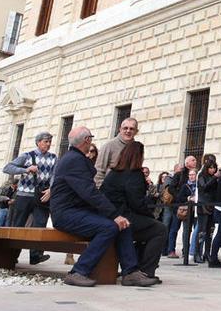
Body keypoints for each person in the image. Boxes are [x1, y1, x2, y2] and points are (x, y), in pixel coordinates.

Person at [50, 126, 157, 287]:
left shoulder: (74, 158)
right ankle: (78, 271)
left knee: (124, 224)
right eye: (91, 138)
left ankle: (131, 272)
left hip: (77, 211)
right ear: (87, 140)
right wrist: (113, 215)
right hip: (66, 214)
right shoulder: (74, 160)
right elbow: (90, 192)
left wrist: (116, 216)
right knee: (109, 227)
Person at [100, 142, 167, 281]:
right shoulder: (134, 174)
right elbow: (137, 203)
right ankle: (147, 271)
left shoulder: (114, 173)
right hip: (124, 217)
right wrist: (150, 216)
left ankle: (136, 266)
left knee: (150, 227)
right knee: (159, 229)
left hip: (109, 216)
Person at [3, 131, 57, 265]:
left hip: (42, 196)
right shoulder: (27, 156)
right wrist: (25, 170)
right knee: (18, 226)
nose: (48, 144)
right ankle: (12, 255)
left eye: (50, 141)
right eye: (46, 141)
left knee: (40, 225)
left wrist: (51, 189)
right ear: (38, 142)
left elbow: (55, 176)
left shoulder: (54, 158)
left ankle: (35, 256)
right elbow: (7, 168)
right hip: (23, 195)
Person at [166, 155, 196, 257]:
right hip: (178, 205)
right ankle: (171, 250)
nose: (195, 161)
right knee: (175, 228)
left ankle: (186, 251)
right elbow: (171, 188)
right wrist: (179, 196)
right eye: (193, 160)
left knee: (187, 230)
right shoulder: (179, 174)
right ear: (187, 163)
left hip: (190, 206)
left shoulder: (196, 174)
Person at [94, 118, 139, 186]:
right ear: (120, 129)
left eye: (131, 129)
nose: (128, 131)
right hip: (110, 192)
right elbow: (98, 171)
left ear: (136, 131)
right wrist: (102, 191)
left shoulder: (137, 148)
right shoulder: (109, 146)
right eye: (125, 128)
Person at [196, 161, 220, 263]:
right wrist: (215, 178)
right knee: (202, 231)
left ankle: (207, 253)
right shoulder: (202, 176)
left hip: (212, 205)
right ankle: (198, 253)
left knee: (210, 231)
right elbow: (204, 187)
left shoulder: (215, 178)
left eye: (214, 168)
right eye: (210, 168)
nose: (213, 170)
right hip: (203, 206)